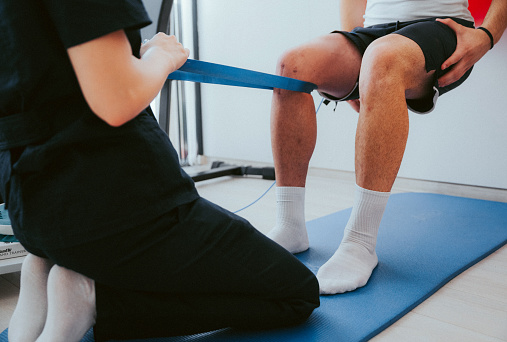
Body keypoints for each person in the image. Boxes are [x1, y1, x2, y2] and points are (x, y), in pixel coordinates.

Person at [0, 1, 319, 341]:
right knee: (297, 292)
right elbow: (118, 98)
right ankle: (94, 298)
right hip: (113, 203)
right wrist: (162, 56)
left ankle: (47, 267)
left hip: (32, 208)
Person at [267, 0, 507, 295]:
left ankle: (360, 243)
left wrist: (487, 36)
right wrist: (355, 74)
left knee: (382, 58)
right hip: (373, 31)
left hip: (443, 28)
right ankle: (289, 225)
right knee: (291, 65)